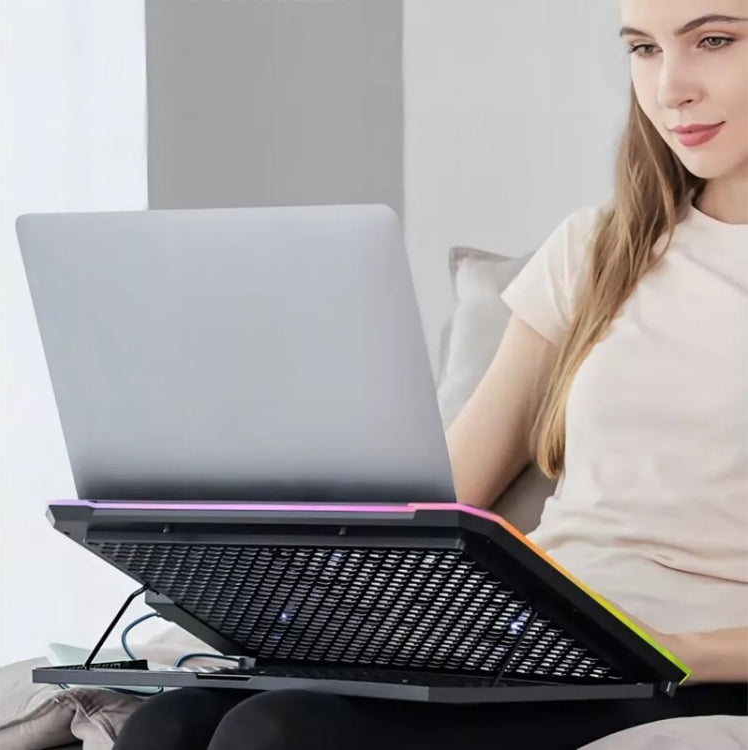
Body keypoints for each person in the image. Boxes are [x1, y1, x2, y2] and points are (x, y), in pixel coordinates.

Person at [113, 0, 748, 747]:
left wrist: (675, 650)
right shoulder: (601, 248)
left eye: (714, 40)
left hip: (692, 659)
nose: (670, 88)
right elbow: (447, 499)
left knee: (281, 730)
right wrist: (263, 575)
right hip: (540, 631)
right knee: (170, 723)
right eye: (643, 49)